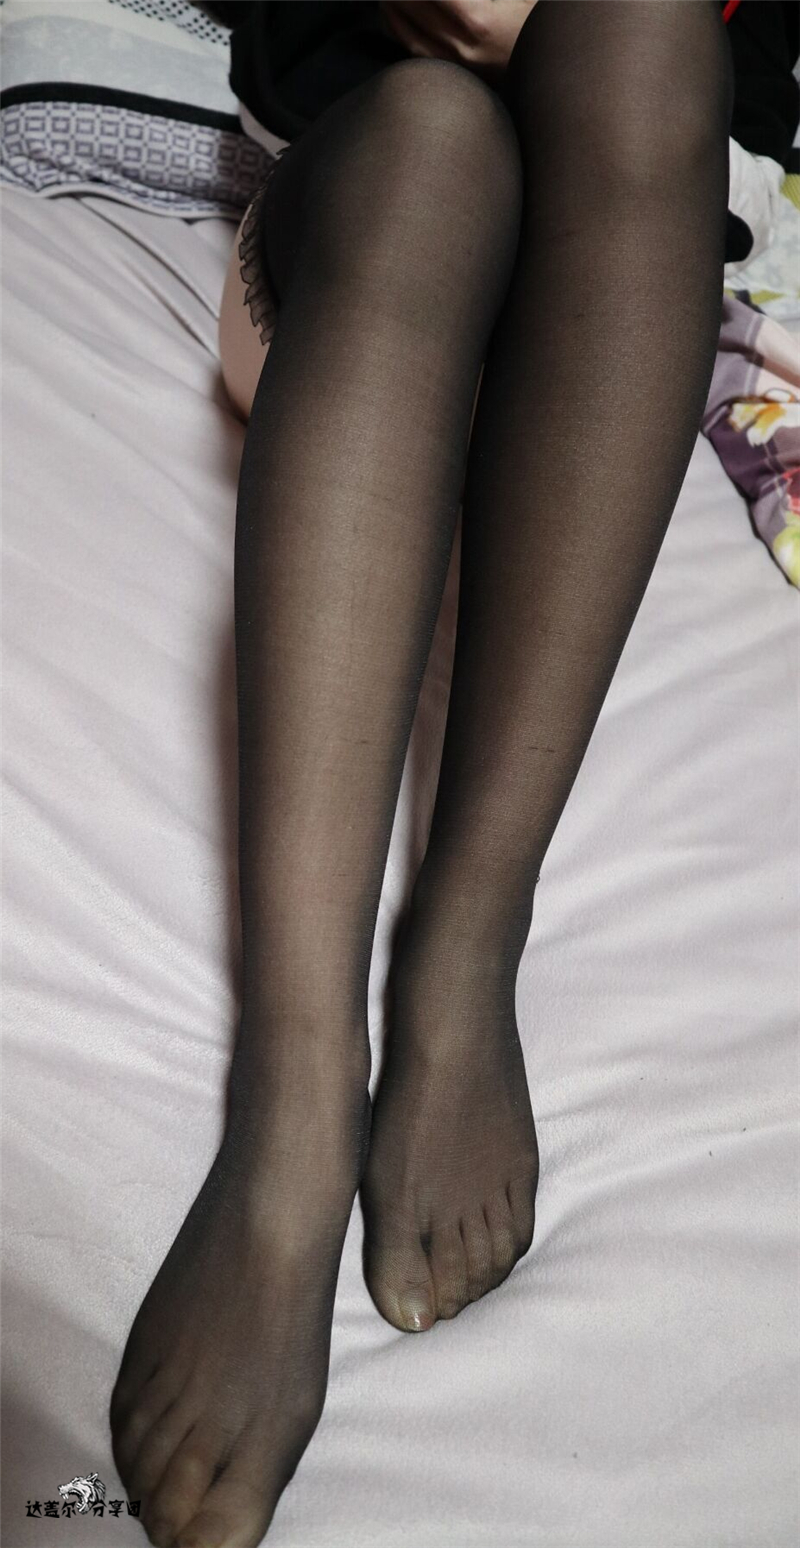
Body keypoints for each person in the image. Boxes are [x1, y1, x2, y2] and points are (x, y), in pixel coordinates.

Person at [110, 5, 737, 1546]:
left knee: (643, 24)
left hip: (614, 292)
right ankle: (297, 1092)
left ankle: (465, 945)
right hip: (363, 244)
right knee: (435, 144)